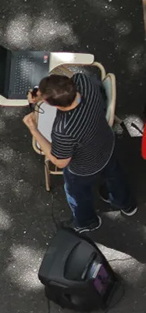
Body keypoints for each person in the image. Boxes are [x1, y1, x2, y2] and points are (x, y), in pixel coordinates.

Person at [24, 73, 136, 232]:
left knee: (77, 195)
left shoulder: (64, 130)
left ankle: (87, 222)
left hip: (84, 167)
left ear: (54, 105)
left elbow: (60, 161)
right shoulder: (83, 81)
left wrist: (34, 130)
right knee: (115, 175)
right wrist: (44, 94)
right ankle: (126, 204)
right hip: (106, 144)